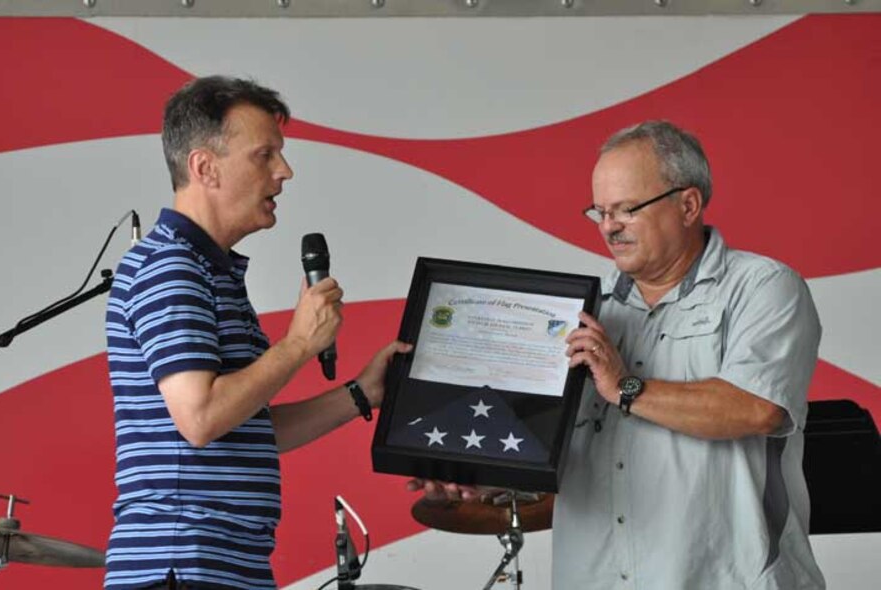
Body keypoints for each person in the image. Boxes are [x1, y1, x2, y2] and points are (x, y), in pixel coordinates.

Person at [410, 120, 825, 589]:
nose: (609, 227)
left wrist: (626, 387)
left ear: (688, 204)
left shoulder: (763, 288)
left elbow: (759, 408)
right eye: (600, 211)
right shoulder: (580, 312)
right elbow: (559, 458)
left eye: (627, 209)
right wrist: (476, 475)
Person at [104, 76, 410, 590]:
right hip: (184, 565)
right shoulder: (172, 268)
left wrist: (360, 393)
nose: (284, 171)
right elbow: (201, 418)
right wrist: (298, 344)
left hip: (222, 568)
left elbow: (240, 425)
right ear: (205, 167)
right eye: (264, 154)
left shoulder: (207, 269)